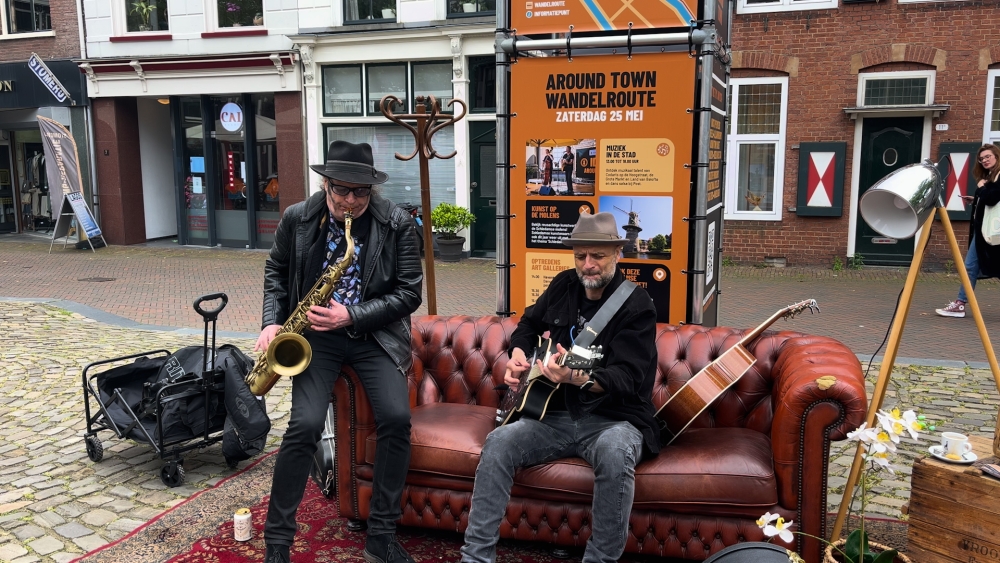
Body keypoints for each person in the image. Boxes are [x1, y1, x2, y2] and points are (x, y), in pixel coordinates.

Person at [460, 212, 659, 563]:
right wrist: (518, 355)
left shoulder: (636, 304)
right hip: (552, 416)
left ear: (617, 253)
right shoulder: (564, 284)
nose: (588, 265)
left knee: (615, 450)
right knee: (499, 442)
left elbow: (627, 379)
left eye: (597, 255)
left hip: (613, 420)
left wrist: (576, 378)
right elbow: (528, 324)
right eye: (581, 255)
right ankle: (475, 557)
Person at [258, 140, 422, 563]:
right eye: (342, 191)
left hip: (374, 335)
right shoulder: (297, 217)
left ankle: (381, 535)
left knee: (397, 419)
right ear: (325, 184)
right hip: (314, 336)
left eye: (361, 192)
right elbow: (276, 271)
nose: (351, 201)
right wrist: (271, 323)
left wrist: (351, 315)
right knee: (304, 425)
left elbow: (409, 293)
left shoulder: (397, 223)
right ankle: (278, 543)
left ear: (372, 190)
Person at [936, 143, 1000, 318]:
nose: (984, 160)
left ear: (996, 156)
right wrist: (976, 199)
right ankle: (960, 303)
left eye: (988, 156)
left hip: (993, 232)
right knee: (971, 266)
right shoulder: (990, 176)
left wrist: (981, 188)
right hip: (985, 232)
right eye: (981, 159)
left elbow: (993, 198)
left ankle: (960, 303)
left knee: (975, 266)